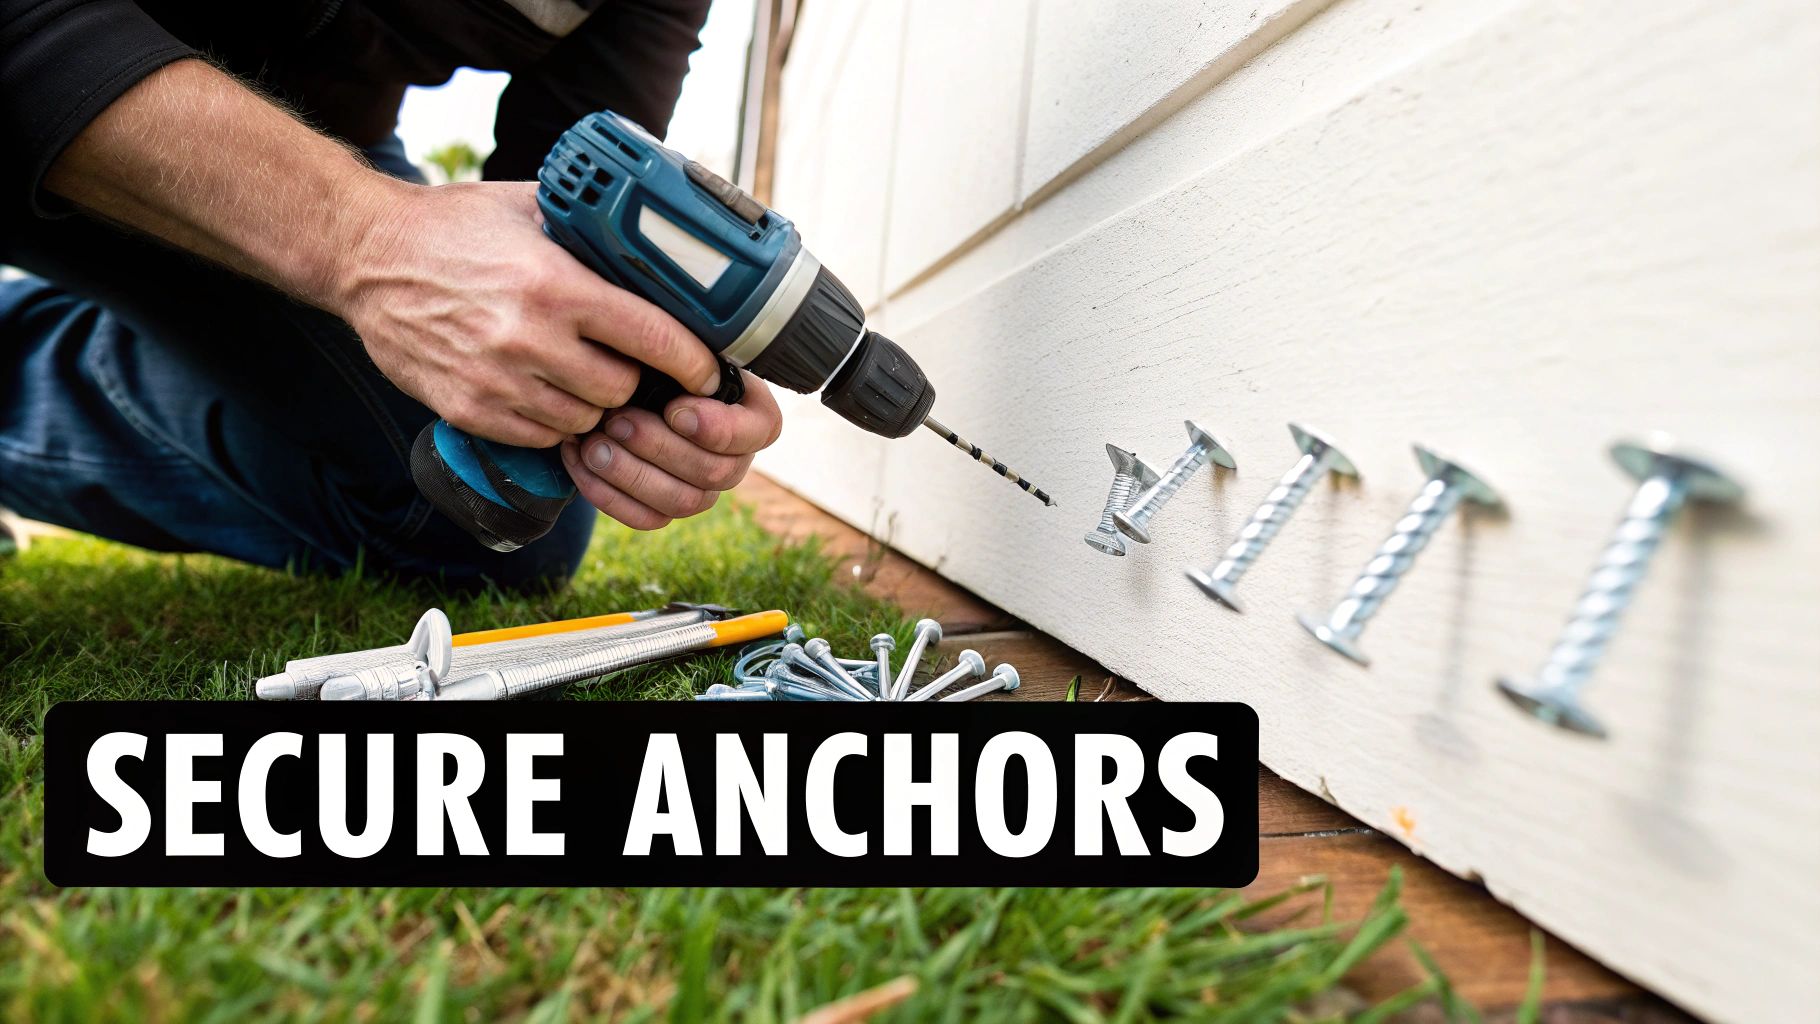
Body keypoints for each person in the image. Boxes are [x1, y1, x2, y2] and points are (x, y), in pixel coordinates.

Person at [0, 0, 784, 590]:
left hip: (317, 136)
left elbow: (573, 182)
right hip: (57, 63)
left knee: (481, 516)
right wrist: (368, 238)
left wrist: (615, 355)